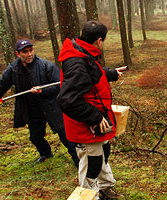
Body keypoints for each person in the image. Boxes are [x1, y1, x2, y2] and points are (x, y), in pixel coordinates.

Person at [57, 21, 123, 199]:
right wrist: (94, 117)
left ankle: (105, 188)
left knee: (102, 153)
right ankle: (88, 195)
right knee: (91, 163)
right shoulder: (77, 61)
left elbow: (92, 72)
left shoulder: (83, 52)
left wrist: (110, 74)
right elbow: (68, 100)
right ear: (99, 41)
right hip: (87, 126)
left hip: (96, 122)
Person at [0, 39, 79, 165]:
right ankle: (46, 154)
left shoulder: (46, 66)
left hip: (51, 106)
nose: (29, 54)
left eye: (30, 50)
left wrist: (42, 90)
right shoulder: (13, 69)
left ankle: (78, 159)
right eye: (25, 52)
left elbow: (59, 85)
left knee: (64, 133)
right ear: (18, 54)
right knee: (35, 137)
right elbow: (3, 83)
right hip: (31, 108)